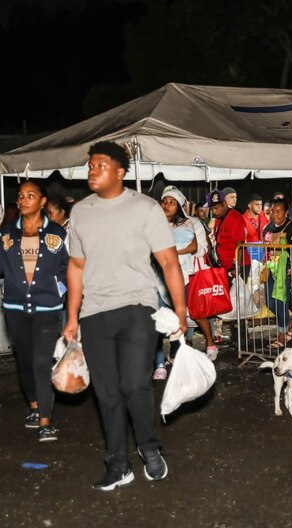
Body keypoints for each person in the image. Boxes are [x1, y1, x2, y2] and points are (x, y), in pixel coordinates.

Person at [63, 141, 187, 491]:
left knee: (134, 384)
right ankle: (117, 464)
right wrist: (72, 316)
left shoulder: (145, 208)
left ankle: (149, 448)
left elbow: (168, 261)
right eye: (90, 165)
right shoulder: (81, 212)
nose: (92, 171)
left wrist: (180, 308)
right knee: (106, 392)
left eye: (100, 165)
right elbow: (76, 266)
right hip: (94, 312)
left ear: (120, 172)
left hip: (137, 306)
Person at [0, 180, 69, 442]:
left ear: (42, 201)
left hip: (47, 308)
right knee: (26, 362)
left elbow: (69, 268)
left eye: (30, 195)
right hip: (15, 307)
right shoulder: (7, 232)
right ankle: (34, 406)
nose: (24, 199)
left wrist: (59, 292)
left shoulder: (58, 233)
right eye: (20, 195)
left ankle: (45, 421)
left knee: (42, 362)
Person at [160, 186, 217, 361]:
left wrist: (174, 251)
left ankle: (210, 343)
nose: (167, 205)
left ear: (180, 205)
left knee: (197, 312)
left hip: (190, 274)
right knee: (172, 314)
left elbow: (200, 248)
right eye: (164, 201)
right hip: (163, 275)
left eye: (172, 202)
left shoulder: (191, 223)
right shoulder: (157, 224)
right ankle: (176, 351)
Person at [261, 198, 292, 347]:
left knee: (280, 300)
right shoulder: (268, 227)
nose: (275, 214)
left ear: (286, 212)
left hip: (286, 270)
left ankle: (283, 333)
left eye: (278, 211)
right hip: (271, 268)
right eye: (273, 211)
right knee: (270, 302)